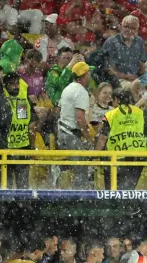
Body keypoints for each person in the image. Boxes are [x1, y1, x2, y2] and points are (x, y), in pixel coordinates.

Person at [95, 89, 147, 190]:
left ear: (117, 100)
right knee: (127, 193)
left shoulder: (111, 115)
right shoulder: (140, 113)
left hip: (117, 159)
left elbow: (102, 139)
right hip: (138, 158)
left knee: (112, 194)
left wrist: (95, 156)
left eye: (113, 99)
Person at [57, 61, 95, 189]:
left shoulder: (67, 88)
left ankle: (63, 193)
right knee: (81, 170)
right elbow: (80, 119)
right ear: (84, 75)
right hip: (71, 135)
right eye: (88, 73)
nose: (89, 76)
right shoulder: (81, 91)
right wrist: (88, 137)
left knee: (67, 170)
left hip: (62, 132)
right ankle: (79, 200)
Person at [3, 72, 34, 189]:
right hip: (7, 148)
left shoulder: (23, 97)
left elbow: (31, 123)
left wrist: (31, 147)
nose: (16, 86)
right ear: (5, 85)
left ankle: (23, 205)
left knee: (23, 184)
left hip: (23, 146)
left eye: (17, 83)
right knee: (7, 184)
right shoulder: (1, 98)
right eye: (12, 84)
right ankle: (7, 205)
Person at [103, 15, 147, 85]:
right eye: (126, 27)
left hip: (135, 79)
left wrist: (143, 69)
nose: (129, 30)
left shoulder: (139, 41)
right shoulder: (111, 42)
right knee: (133, 89)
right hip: (117, 80)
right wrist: (125, 76)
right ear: (120, 27)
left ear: (137, 30)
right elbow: (108, 69)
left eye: (133, 28)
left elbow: (142, 63)